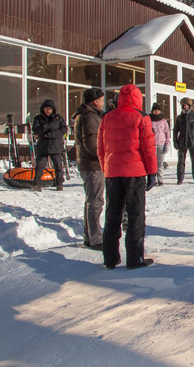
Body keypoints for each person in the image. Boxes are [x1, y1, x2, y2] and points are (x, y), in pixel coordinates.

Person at [97, 84, 157, 269]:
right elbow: (148, 148)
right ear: (138, 99)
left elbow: (100, 148)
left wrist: (107, 169)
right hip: (135, 173)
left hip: (113, 174)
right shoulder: (141, 117)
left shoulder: (107, 118)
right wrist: (152, 172)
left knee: (112, 215)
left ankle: (110, 258)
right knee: (135, 215)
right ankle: (135, 258)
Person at [72, 88, 105, 249]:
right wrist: (105, 154)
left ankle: (89, 235)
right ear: (95, 101)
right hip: (92, 164)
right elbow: (92, 144)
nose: (103, 102)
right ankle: (95, 238)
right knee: (95, 201)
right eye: (101, 99)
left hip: (89, 163)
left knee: (91, 201)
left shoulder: (88, 115)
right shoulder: (89, 117)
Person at [31, 99, 66, 191]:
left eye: (50, 109)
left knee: (58, 166)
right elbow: (35, 130)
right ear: (43, 109)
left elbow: (63, 130)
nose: (48, 110)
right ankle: (37, 184)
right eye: (46, 108)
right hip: (43, 145)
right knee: (40, 166)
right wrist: (44, 127)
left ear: (53, 109)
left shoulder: (58, 118)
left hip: (55, 145)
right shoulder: (38, 118)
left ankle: (59, 184)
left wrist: (50, 134)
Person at [173, 97, 194, 184]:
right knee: (181, 161)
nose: (185, 106)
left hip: (192, 141)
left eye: (186, 105)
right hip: (182, 142)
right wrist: (175, 141)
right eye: (184, 105)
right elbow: (175, 130)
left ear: (189, 106)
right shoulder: (179, 118)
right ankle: (180, 178)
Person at [150, 103, 170, 185]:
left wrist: (167, 143)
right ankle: (153, 180)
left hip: (161, 144)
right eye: (155, 111)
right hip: (152, 144)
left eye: (157, 111)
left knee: (160, 163)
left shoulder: (163, 121)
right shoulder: (149, 120)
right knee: (152, 163)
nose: (156, 112)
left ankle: (160, 179)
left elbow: (167, 132)